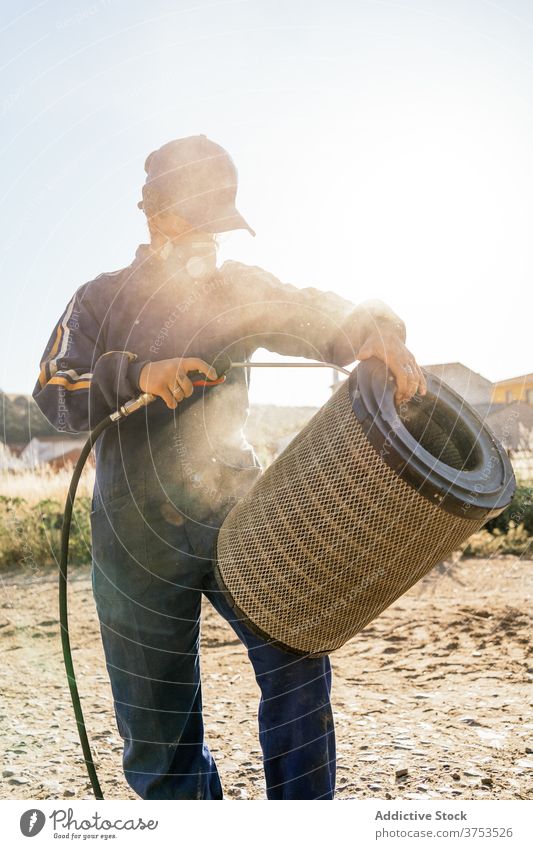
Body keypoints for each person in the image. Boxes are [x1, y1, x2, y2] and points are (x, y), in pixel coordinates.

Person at [33, 135, 426, 800]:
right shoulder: (96, 300)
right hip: (134, 540)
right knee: (159, 732)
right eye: (198, 223)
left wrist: (375, 331)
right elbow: (54, 389)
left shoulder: (239, 287)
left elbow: (316, 311)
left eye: (220, 226)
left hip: (238, 513)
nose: (210, 242)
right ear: (156, 215)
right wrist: (135, 374)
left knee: (298, 659)